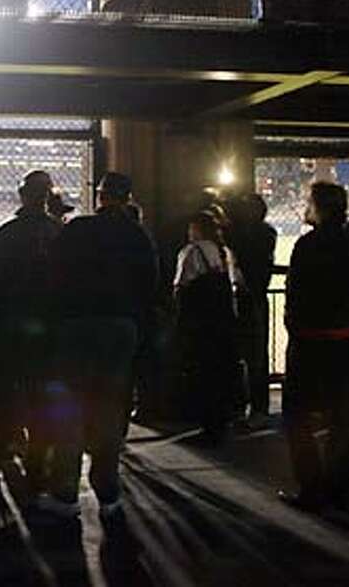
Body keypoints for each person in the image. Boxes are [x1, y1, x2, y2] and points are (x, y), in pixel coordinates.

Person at [44, 171, 158, 523]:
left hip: (77, 324)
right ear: (128, 198)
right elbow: (149, 286)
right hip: (120, 327)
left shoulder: (78, 229)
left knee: (70, 407)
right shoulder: (138, 236)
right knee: (109, 407)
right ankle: (108, 490)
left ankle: (66, 491)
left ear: (100, 196)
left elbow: (54, 274)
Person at [0, 170, 62, 493]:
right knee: (41, 400)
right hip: (46, 330)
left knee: (1, 399)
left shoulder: (6, 234)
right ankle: (38, 469)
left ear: (22, 194)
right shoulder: (57, 233)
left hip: (9, 326)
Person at [280, 182, 349, 512]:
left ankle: (311, 487)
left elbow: (295, 293)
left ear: (320, 207)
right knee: (341, 420)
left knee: (297, 416)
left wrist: (295, 325)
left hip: (310, 343)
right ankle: (339, 490)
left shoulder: (308, 245)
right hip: (343, 341)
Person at [174, 210, 241, 444]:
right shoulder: (224, 253)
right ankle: (221, 421)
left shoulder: (192, 252)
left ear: (196, 229)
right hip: (223, 321)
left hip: (200, 323)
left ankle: (206, 424)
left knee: (201, 373)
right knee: (220, 372)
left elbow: (182, 286)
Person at [229, 193, 277, 427]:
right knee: (257, 354)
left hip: (248, 297)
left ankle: (252, 406)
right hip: (258, 298)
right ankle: (258, 407)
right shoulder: (267, 234)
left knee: (250, 355)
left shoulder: (243, 236)